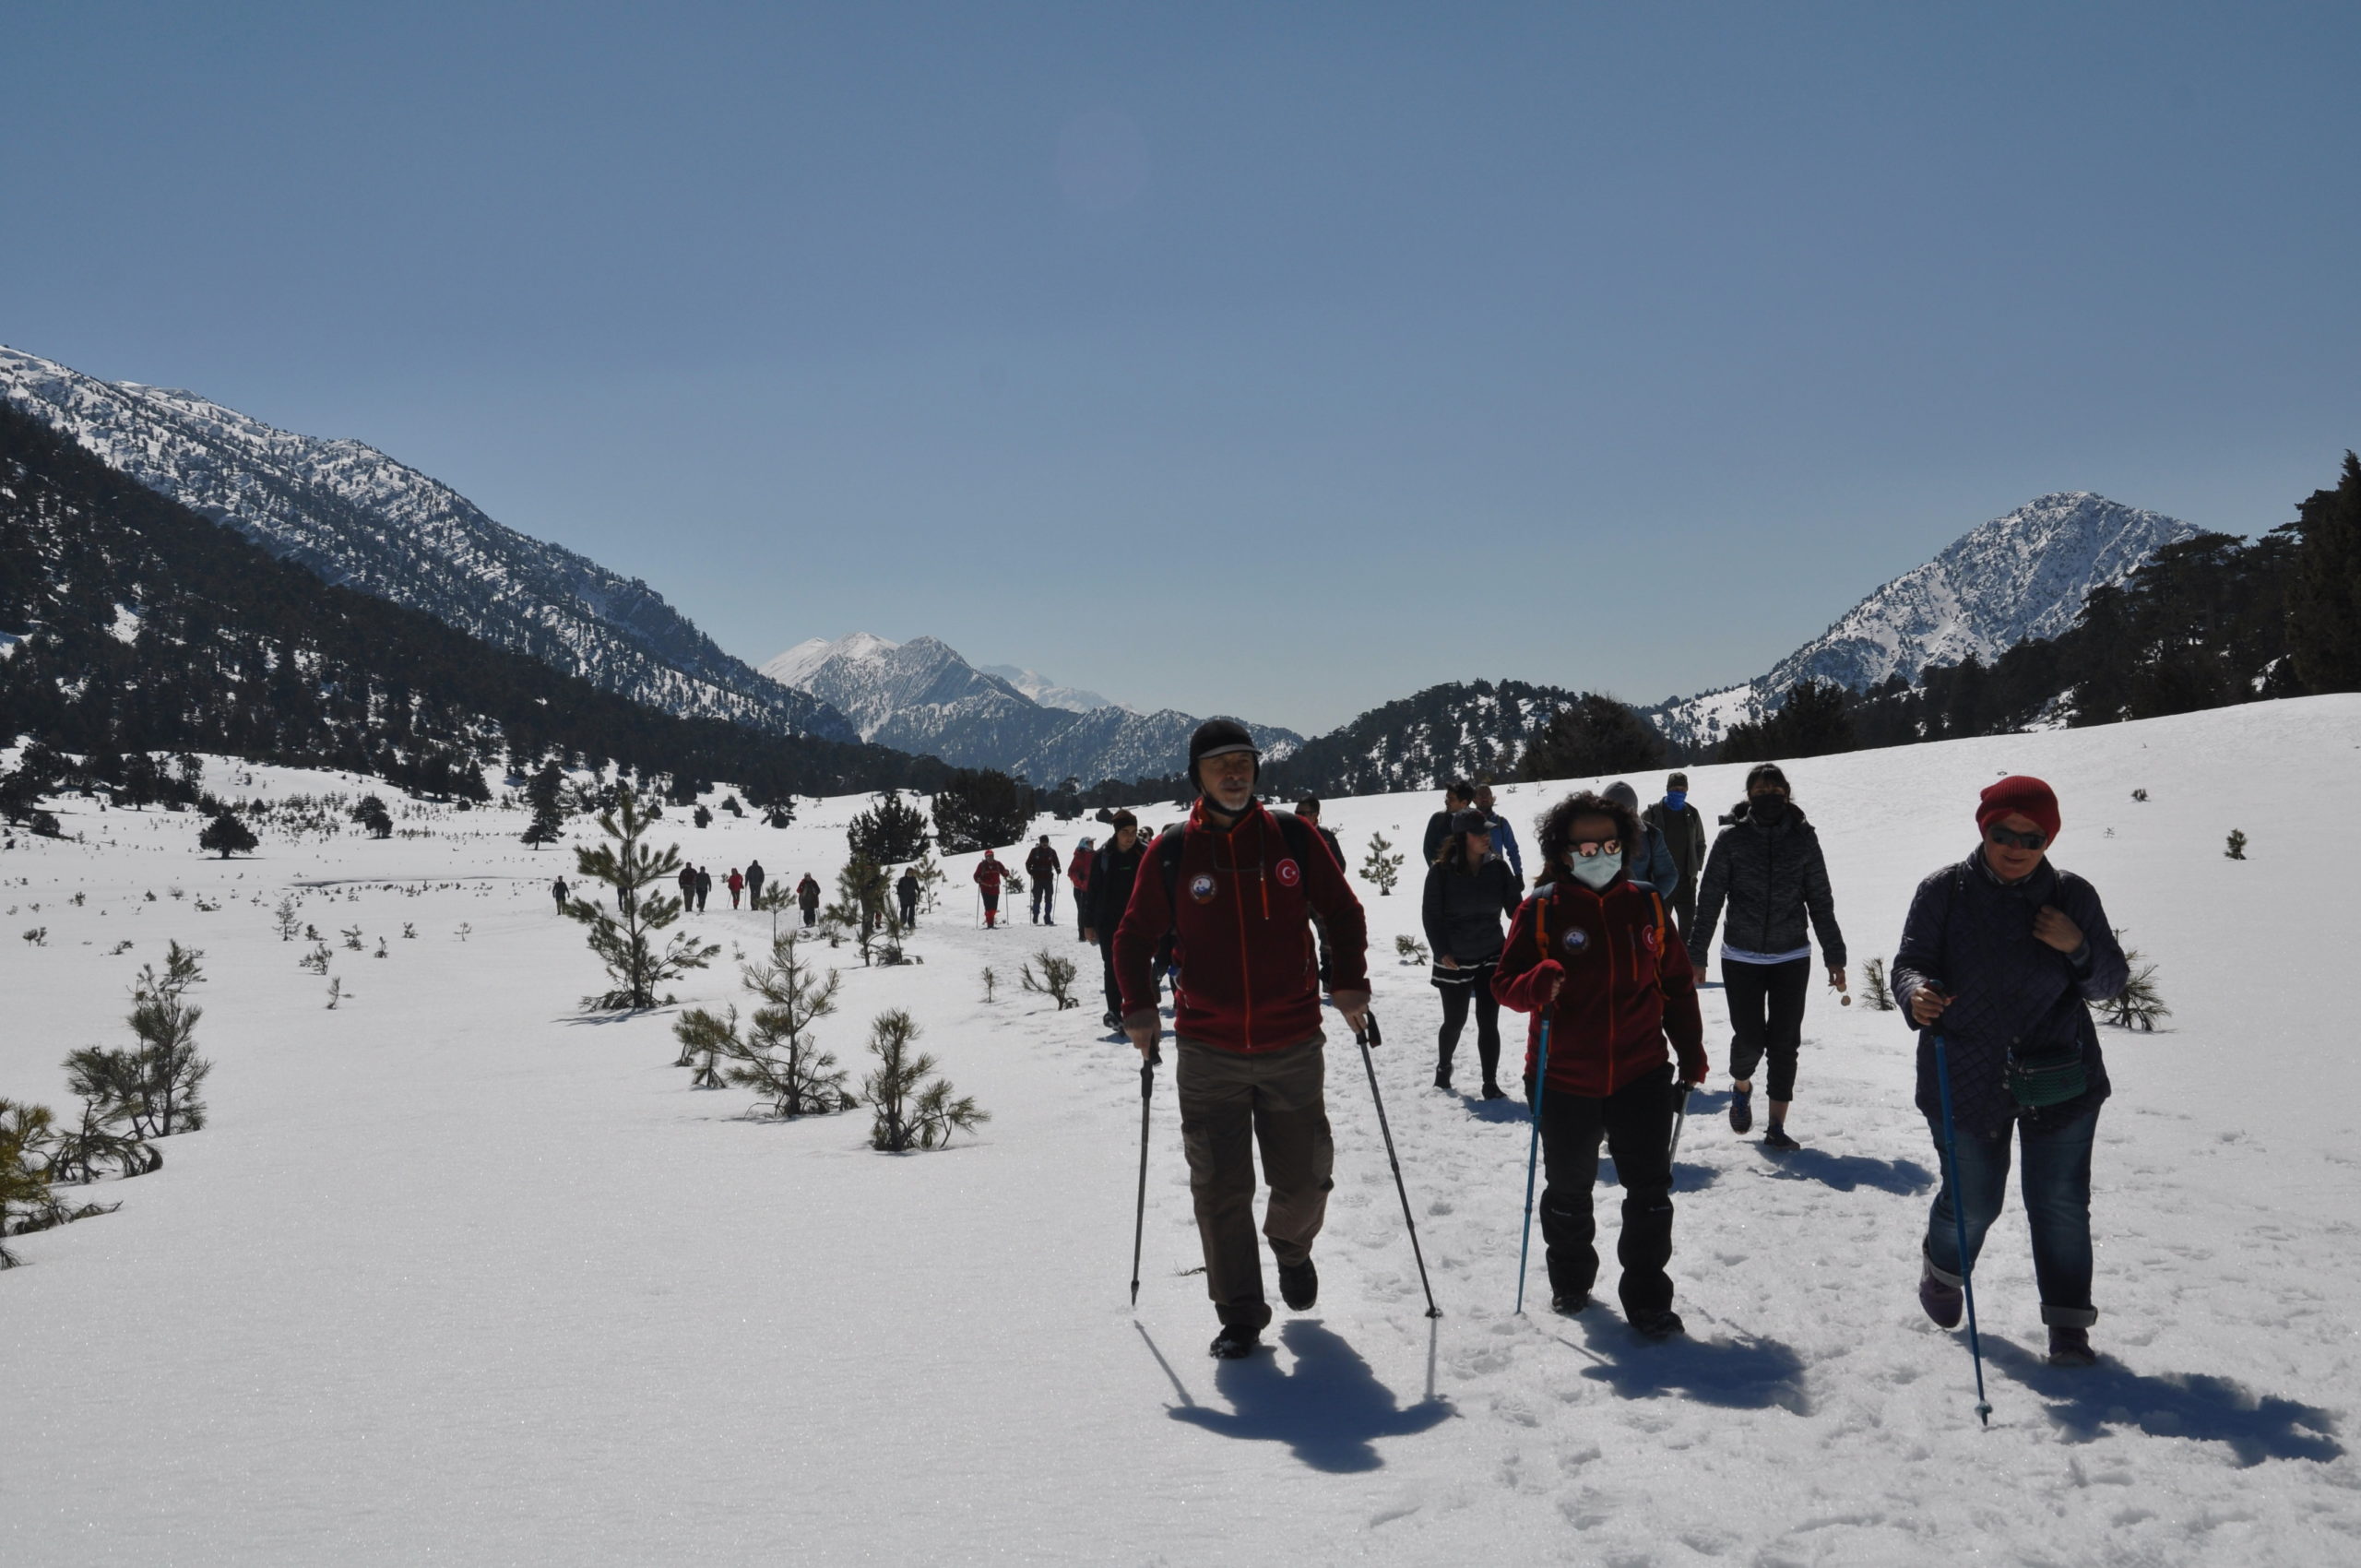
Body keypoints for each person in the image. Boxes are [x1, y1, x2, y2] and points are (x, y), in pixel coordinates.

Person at [1115, 719, 1370, 1360]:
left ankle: (1291, 1247)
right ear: (1197, 775)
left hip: (1291, 1043)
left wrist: (1350, 982)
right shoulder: (1172, 851)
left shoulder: (1293, 838)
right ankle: (1239, 1313)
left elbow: (1343, 912)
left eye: (1244, 761)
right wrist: (1139, 1008)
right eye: (1219, 763)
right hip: (1208, 1051)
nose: (1234, 772)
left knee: (1307, 1178)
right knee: (1220, 1187)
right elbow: (1132, 936)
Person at [1892, 777, 2127, 1368]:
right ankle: (1944, 1269)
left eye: (2033, 837)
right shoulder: (1943, 891)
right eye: (2004, 833)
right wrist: (1916, 994)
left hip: (2060, 1077)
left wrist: (2078, 946)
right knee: (1973, 1202)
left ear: (2049, 839)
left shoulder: (2073, 897)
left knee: (2061, 1202)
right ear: (1984, 829)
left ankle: (2069, 1328)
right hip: (1966, 1073)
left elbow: (2108, 985)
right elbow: (1910, 963)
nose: (2017, 847)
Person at [1493, 790, 1708, 1338]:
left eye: (1610, 843)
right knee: (1569, 1190)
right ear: (1563, 851)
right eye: (1586, 845)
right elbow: (1504, 986)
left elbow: (1678, 985)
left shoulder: (1648, 904)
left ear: (1627, 846)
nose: (1599, 853)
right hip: (1563, 1076)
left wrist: (1691, 1048)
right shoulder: (1541, 908)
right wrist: (1534, 983)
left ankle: (1647, 1298)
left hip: (1641, 1072)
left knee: (1650, 1191)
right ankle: (1570, 1280)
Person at [1684, 763, 1845, 1150]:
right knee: (1751, 1038)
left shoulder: (1804, 839)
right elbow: (1708, 901)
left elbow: (1820, 901)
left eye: (1775, 791)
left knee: (1785, 1042)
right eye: (1760, 792)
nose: (1768, 797)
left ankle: (1776, 1127)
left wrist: (1834, 956)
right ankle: (1741, 1085)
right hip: (1741, 956)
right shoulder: (1731, 840)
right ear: (1749, 797)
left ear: (1786, 794)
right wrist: (1696, 954)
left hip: (1792, 954)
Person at [1421, 807, 1524, 1097]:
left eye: (1489, 831)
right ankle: (1444, 1068)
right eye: (1481, 833)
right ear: (1463, 837)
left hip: (1492, 953)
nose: (1487, 837)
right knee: (1455, 1021)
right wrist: (1441, 951)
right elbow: (1431, 915)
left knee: (1488, 1021)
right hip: (1454, 958)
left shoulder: (1498, 868)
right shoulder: (1441, 872)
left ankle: (1490, 1084)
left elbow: (1517, 911)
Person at [1086, 814, 1148, 1028]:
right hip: (1108, 922)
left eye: (1133, 832)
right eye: (1125, 832)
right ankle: (1114, 1011)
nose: (1130, 837)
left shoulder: (1144, 853)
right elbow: (1091, 891)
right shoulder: (1103, 856)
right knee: (1112, 966)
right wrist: (1088, 924)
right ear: (1116, 832)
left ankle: (1138, 1010)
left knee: (1139, 966)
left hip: (1139, 920)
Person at [1292, 798, 1347, 993]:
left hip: (1320, 898)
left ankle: (1329, 980)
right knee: (1296, 941)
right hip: (1295, 898)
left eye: (1302, 813)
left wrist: (1327, 886)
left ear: (1315, 815)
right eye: (1296, 812)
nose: (1298, 816)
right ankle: (1302, 984)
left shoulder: (1327, 837)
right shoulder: (1288, 835)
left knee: (1329, 940)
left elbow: (1340, 865)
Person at [1643, 773, 1707, 937]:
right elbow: (1639, 845)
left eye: (1682, 789)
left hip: (1687, 883)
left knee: (1688, 932)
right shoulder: (1652, 814)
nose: (1679, 792)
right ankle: (1661, 962)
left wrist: (1696, 866)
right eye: (1675, 788)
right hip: (1661, 883)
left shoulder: (1692, 813)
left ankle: (1686, 962)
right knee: (1660, 930)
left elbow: (1700, 843)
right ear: (1667, 789)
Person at [1604, 781, 1678, 898]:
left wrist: (1650, 900)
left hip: (1641, 911)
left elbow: (1668, 874)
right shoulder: (1592, 835)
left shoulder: (1651, 836)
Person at [1471, 783, 1524, 879]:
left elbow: (1512, 850)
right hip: (1472, 877)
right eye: (1481, 795)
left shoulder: (1501, 823)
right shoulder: (1467, 822)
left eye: (1487, 794)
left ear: (1492, 798)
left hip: (1497, 876)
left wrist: (1518, 874)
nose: (1484, 797)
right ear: (1474, 800)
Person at [1421, 779, 1477, 864]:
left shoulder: (1477, 819)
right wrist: (1439, 872)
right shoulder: (1437, 820)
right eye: (1446, 798)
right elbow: (1429, 850)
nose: (1446, 801)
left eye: (1451, 799)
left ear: (1464, 803)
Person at [1026, 835, 1062, 925]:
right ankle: (1035, 915)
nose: (1045, 844)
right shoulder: (1034, 851)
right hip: (1037, 878)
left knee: (1049, 898)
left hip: (1048, 878)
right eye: (1043, 842)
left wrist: (1058, 868)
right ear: (1040, 842)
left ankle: (1047, 917)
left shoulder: (1052, 852)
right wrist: (1030, 871)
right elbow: (1028, 863)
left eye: (1046, 842)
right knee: (1037, 898)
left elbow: (1056, 862)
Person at [1067, 837, 1095, 944]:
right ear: (1084, 844)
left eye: (1093, 842)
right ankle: (1082, 935)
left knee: (1093, 910)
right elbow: (1070, 872)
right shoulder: (1079, 856)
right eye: (1090, 842)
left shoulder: (1095, 855)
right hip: (1080, 890)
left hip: (1092, 889)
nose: (1092, 844)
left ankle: (1093, 932)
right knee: (1082, 912)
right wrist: (1078, 876)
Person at [974, 849, 1009, 928]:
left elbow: (1004, 873)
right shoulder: (982, 865)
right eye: (988, 856)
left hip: (995, 889)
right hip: (985, 888)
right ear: (985, 857)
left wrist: (1006, 873)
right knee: (988, 907)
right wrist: (978, 879)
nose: (990, 858)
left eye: (991, 856)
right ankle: (990, 923)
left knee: (994, 907)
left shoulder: (998, 864)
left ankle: (990, 921)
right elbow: (976, 875)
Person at [896, 866, 920, 930]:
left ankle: (911, 924)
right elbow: (898, 888)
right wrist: (900, 894)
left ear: (913, 873)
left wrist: (919, 894)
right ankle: (902, 923)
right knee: (903, 912)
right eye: (908, 872)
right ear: (906, 873)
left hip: (912, 899)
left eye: (911, 872)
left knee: (911, 913)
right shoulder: (902, 879)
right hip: (904, 899)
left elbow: (917, 888)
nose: (910, 873)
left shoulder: (914, 879)